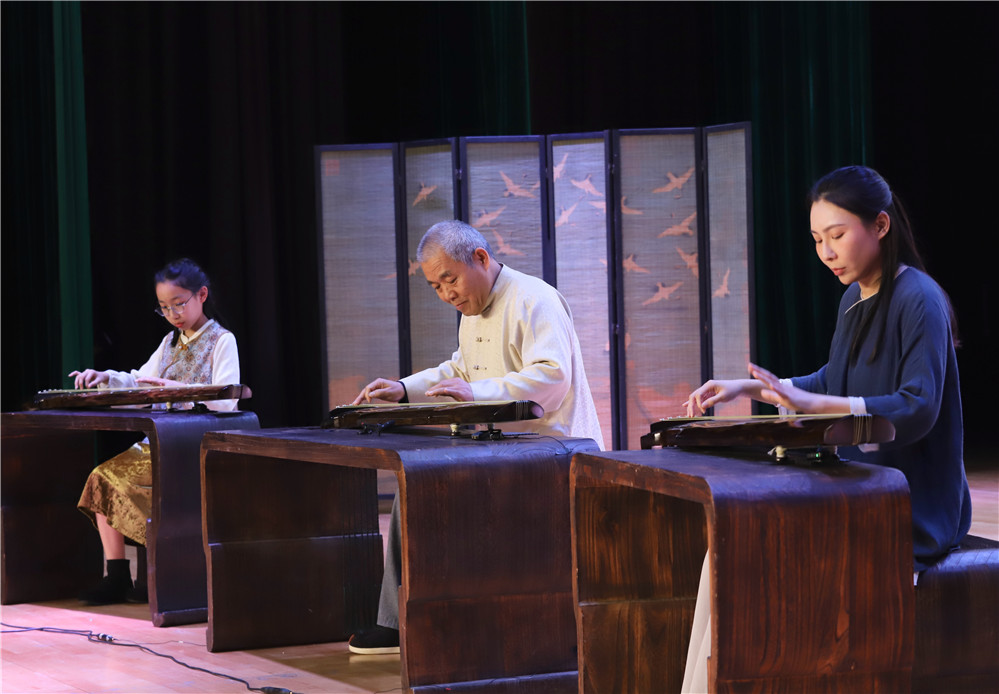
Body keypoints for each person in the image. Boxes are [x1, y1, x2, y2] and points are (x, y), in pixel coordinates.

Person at [680, 165, 971, 692]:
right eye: (817, 240)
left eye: (837, 235)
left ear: (880, 225)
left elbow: (917, 407)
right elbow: (833, 380)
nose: (826, 252)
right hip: (855, 491)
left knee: (764, 567)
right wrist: (746, 388)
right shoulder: (853, 298)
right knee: (721, 556)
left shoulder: (920, 298)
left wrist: (813, 401)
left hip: (907, 507)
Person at [346, 219, 604, 654]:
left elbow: (552, 378)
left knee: (433, 484)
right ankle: (401, 620)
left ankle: (468, 623)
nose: (446, 293)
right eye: (435, 286)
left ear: (481, 258)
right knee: (417, 484)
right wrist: (404, 388)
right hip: (501, 448)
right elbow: (461, 370)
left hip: (552, 449)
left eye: (450, 279)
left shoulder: (534, 298)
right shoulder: (472, 312)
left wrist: (477, 392)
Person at [72, 258, 240, 605]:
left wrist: (177, 388)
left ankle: (161, 575)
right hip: (161, 441)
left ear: (201, 295)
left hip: (194, 444)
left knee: (133, 487)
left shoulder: (222, 340)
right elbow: (139, 381)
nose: (173, 314)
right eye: (164, 307)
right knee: (102, 478)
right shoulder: (169, 343)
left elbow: (227, 400)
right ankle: (117, 574)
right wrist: (106, 377)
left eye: (179, 304)